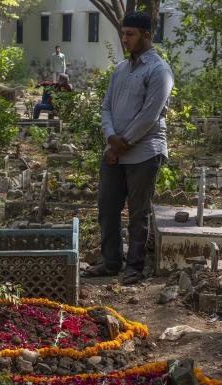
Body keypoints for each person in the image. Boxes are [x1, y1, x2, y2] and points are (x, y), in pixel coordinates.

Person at [82, 11, 173, 285]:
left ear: (146, 35)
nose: (125, 39)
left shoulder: (159, 71)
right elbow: (106, 106)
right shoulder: (120, 70)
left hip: (145, 152)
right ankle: (111, 262)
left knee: (138, 211)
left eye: (130, 34)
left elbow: (150, 115)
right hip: (114, 151)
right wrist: (111, 137)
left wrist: (121, 144)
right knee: (107, 208)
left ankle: (135, 266)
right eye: (123, 34)